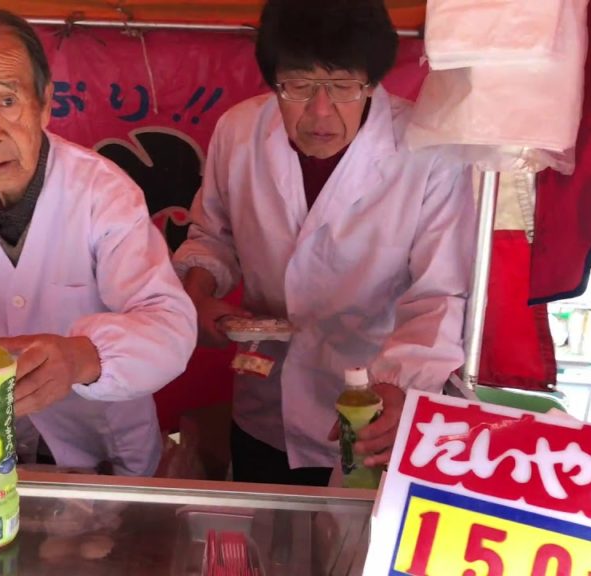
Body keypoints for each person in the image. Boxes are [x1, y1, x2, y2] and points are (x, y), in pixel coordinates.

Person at [172, 0, 475, 486]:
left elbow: (439, 293)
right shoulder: (239, 131)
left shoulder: (429, 153)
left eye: (342, 86)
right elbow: (213, 235)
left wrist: (400, 386)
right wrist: (198, 295)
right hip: (263, 405)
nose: (319, 110)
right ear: (274, 80)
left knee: (351, 553)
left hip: (373, 409)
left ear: (373, 82)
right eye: (298, 85)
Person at [0, 6, 197, 477]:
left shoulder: (102, 192)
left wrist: (81, 358)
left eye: (7, 102)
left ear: (44, 102)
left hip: (103, 453)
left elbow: (168, 325)